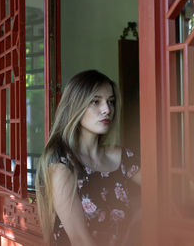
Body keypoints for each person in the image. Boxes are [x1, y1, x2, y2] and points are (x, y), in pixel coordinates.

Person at [35, 70, 141, 246]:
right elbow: (80, 239)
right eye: (95, 101)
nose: (107, 109)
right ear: (76, 106)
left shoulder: (122, 157)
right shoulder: (61, 162)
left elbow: (163, 191)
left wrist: (138, 218)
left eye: (111, 102)